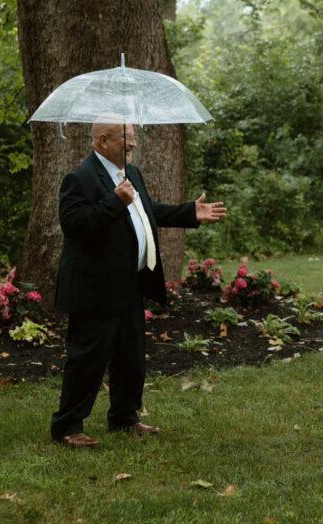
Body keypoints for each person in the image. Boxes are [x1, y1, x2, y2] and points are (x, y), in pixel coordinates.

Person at [51, 114, 226, 447]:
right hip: (94, 288)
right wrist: (115, 201)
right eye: (124, 137)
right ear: (102, 140)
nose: (132, 143)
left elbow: (147, 210)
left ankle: (124, 417)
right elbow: (74, 224)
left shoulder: (130, 174)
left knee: (130, 356)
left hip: (128, 283)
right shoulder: (80, 178)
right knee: (87, 359)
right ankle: (67, 426)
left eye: (132, 136)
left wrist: (190, 212)